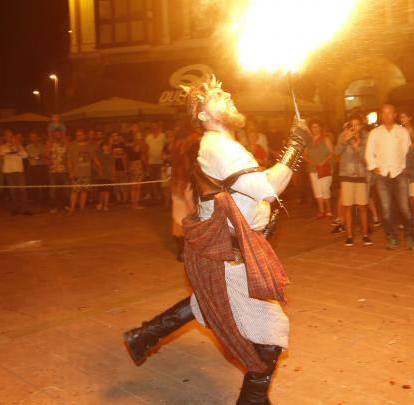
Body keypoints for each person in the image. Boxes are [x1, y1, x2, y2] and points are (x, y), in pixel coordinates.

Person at [122, 76, 310, 404]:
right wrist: (295, 147)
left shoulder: (224, 144)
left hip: (225, 254)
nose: (224, 94)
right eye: (214, 95)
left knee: (206, 304)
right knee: (269, 343)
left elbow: (251, 189)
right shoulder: (219, 146)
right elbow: (268, 188)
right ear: (202, 114)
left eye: (223, 90)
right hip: (229, 257)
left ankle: (143, 336)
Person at [365, 103, 414, 249]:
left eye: (390, 113)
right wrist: (373, 167)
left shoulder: (402, 132)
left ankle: (409, 235)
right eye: (384, 113)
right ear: (381, 115)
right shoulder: (375, 133)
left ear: (394, 114)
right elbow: (369, 152)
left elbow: (407, 152)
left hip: (400, 173)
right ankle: (391, 237)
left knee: (405, 207)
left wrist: (406, 168)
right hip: (382, 174)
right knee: (386, 209)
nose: (387, 116)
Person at [336, 115, 371, 246]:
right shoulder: (343, 135)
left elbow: (366, 159)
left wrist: (358, 148)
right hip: (346, 175)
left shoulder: (366, 137)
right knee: (348, 207)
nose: (355, 127)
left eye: (358, 124)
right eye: (353, 125)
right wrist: (344, 141)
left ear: (361, 125)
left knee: (362, 206)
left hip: (361, 175)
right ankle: (349, 236)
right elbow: (336, 152)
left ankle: (365, 235)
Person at [168, 121, 200, 261]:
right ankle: (192, 250)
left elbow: (174, 163)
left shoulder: (175, 143)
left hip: (176, 183)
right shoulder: (193, 141)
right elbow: (193, 164)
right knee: (193, 216)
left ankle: (181, 251)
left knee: (178, 217)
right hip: (188, 183)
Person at [304, 119, 333, 219]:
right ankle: (321, 210)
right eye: (313, 127)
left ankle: (328, 210)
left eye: (317, 127)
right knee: (317, 191)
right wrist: (310, 161)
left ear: (320, 127)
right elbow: (304, 154)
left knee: (325, 189)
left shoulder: (326, 139)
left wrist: (324, 161)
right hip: (313, 169)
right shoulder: (309, 140)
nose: (315, 129)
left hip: (324, 168)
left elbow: (332, 153)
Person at [0, 131, 30, 215]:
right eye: (7, 136)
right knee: (13, 191)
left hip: (19, 171)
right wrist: (10, 147)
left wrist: (18, 147)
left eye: (10, 136)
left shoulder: (19, 146)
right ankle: (15, 209)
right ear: (5, 138)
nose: (9, 138)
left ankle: (25, 209)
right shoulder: (3, 147)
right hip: (9, 172)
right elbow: (2, 154)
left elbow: (25, 155)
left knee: (23, 191)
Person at [66, 129, 96, 214]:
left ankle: (82, 208)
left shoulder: (89, 146)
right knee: (74, 191)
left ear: (84, 136)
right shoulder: (71, 145)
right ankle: (72, 209)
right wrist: (71, 172)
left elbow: (93, 158)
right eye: (77, 135)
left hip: (86, 172)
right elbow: (69, 161)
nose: (78, 136)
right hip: (76, 172)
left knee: (84, 191)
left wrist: (98, 168)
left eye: (80, 135)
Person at [46, 130, 69, 214]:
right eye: (56, 134)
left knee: (66, 189)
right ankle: (53, 206)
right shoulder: (50, 143)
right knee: (53, 189)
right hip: (53, 170)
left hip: (64, 169)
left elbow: (68, 154)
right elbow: (46, 155)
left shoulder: (65, 143)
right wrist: (50, 157)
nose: (57, 136)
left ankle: (66, 204)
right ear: (53, 135)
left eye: (59, 134)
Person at [25, 132, 47, 206]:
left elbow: (44, 155)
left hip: (41, 167)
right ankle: (36, 200)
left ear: (37, 138)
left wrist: (40, 156)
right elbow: (32, 156)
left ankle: (44, 200)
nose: (33, 138)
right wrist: (37, 156)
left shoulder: (42, 146)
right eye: (32, 137)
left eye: (35, 137)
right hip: (33, 168)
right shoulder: (27, 147)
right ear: (30, 139)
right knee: (34, 184)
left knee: (43, 184)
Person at [94, 139, 114, 212]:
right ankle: (100, 204)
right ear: (102, 147)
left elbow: (112, 166)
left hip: (109, 176)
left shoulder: (111, 155)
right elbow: (95, 158)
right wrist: (99, 169)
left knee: (107, 191)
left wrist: (113, 175)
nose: (106, 147)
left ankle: (106, 205)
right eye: (104, 146)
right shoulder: (99, 154)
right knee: (102, 191)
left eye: (107, 146)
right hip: (101, 176)